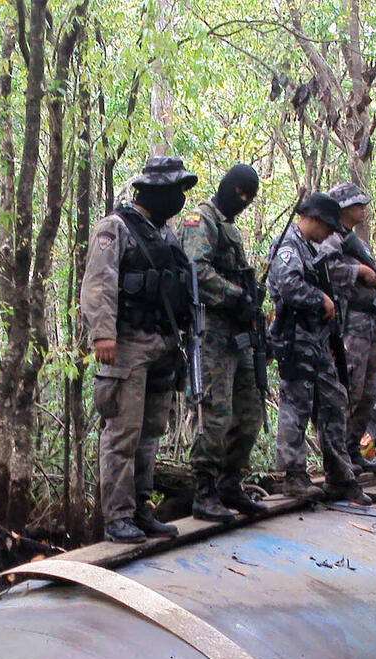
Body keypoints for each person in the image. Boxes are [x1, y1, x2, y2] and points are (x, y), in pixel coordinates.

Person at [78, 156, 199, 543]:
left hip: (163, 345)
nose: (179, 199)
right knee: (122, 433)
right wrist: (103, 334)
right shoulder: (116, 227)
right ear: (152, 191)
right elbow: (98, 282)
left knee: (150, 433)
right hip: (126, 345)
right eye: (174, 190)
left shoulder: (165, 235)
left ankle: (141, 509)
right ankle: (117, 516)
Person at [176, 164, 267, 522]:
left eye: (249, 197)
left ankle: (230, 484)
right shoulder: (201, 219)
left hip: (238, 334)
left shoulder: (230, 228)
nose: (242, 200)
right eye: (238, 192)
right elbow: (195, 270)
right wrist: (235, 296)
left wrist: (251, 302)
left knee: (250, 412)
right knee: (214, 413)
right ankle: (204, 490)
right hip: (211, 332)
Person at [269, 193, 369, 504]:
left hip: (318, 339)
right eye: (326, 226)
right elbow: (288, 286)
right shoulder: (289, 245)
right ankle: (294, 475)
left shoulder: (311, 248)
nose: (328, 234)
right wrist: (320, 299)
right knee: (296, 405)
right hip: (295, 338)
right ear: (313, 219)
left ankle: (340, 475)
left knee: (334, 400)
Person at [324, 181, 376, 472]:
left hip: (369, 325)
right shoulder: (330, 239)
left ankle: (353, 449)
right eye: (356, 204)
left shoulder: (355, 241)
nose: (362, 209)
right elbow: (324, 268)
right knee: (349, 390)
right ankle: (337, 456)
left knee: (368, 394)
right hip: (348, 326)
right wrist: (356, 271)